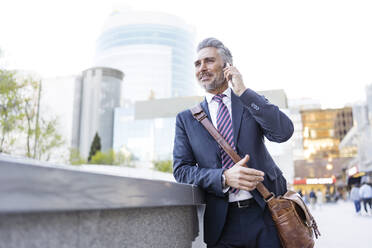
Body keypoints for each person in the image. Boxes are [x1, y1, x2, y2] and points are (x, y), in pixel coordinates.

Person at [173, 38, 294, 247]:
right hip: (221, 223)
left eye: (209, 61)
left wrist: (244, 92)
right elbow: (181, 170)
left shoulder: (249, 102)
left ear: (227, 66)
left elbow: (283, 133)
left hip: (266, 216)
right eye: (197, 64)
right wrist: (223, 177)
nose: (202, 68)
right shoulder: (186, 119)